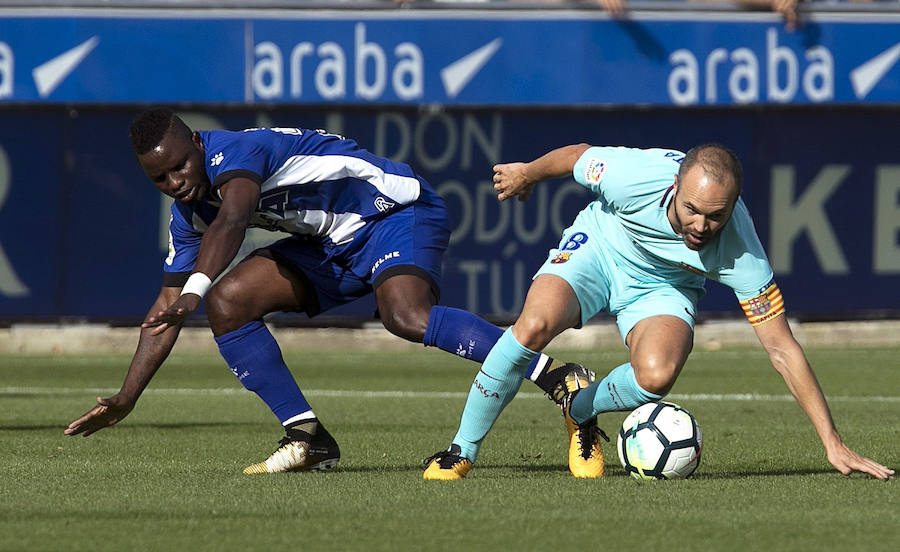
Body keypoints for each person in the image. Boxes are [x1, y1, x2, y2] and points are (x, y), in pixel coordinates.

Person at [63, 108, 592, 474]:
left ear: (197, 144)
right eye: (161, 178)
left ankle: (559, 376)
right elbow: (163, 309)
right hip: (331, 242)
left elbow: (235, 220)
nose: (176, 181)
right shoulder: (189, 212)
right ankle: (308, 438)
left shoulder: (235, 151)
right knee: (230, 303)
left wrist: (195, 290)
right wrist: (127, 397)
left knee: (405, 315)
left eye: (180, 165)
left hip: (392, 211)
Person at [423, 143, 895, 481]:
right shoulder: (634, 174)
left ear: (734, 206)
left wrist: (832, 442)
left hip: (665, 288)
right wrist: (527, 173)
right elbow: (576, 156)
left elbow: (782, 349)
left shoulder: (742, 252)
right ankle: (461, 450)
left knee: (656, 376)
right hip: (601, 250)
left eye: (716, 215)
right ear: (674, 186)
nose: (701, 225)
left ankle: (578, 406)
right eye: (692, 209)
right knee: (533, 326)